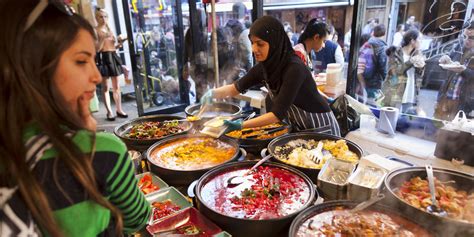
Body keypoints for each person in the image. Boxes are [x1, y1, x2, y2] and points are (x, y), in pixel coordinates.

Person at [0, 1, 151, 236]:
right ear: (35, 66)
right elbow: (138, 218)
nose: (96, 76)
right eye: (81, 61)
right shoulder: (104, 152)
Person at [200, 16, 340, 135]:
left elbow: (276, 115)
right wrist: (212, 93)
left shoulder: (294, 68)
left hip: (322, 127)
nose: (254, 49)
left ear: (274, 44)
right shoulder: (264, 67)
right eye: (253, 43)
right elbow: (236, 88)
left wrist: (240, 125)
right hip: (300, 127)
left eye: (260, 44)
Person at [435, 21, 474, 120]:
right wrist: (444, 59)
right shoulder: (459, 46)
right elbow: (447, 63)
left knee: (454, 133)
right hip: (445, 98)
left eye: (471, 38)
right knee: (436, 128)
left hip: (463, 104)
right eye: (464, 36)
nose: (466, 40)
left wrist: (463, 70)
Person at [95, 8, 128, 121]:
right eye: (101, 16)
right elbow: (97, 49)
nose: (103, 19)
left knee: (116, 87)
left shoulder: (110, 29)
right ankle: (109, 111)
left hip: (113, 56)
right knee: (105, 87)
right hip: (103, 57)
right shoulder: (96, 30)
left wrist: (121, 43)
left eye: (105, 16)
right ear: (96, 18)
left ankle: (119, 109)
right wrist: (103, 38)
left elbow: (114, 47)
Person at [382, 29, 425, 114]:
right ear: (412, 41)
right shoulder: (395, 52)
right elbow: (394, 72)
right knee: (391, 117)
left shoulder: (418, 54)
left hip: (410, 91)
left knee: (406, 120)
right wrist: (410, 62)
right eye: (420, 39)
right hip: (395, 91)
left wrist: (421, 68)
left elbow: (420, 76)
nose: (421, 42)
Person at [293, 19, 332, 101]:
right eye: (324, 41)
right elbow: (304, 86)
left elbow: (309, 84)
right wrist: (327, 99)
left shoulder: (306, 53)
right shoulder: (298, 53)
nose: (324, 45)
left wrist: (327, 98)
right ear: (316, 37)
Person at [357, 24, 388, 106]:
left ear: (373, 33)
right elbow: (383, 68)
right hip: (375, 83)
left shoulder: (365, 45)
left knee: (365, 104)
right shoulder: (382, 47)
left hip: (363, 80)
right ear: (384, 34)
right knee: (375, 105)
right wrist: (386, 79)